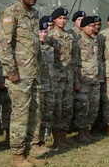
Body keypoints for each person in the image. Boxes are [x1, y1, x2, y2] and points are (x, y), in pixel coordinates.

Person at [0, 0, 43, 167]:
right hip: (19, 75)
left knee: (34, 114)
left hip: (33, 72)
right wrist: (11, 71)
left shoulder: (33, 14)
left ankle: (29, 152)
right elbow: (3, 44)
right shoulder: (10, 13)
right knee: (20, 115)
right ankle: (17, 155)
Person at [47, 8, 77, 148]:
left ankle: (64, 136)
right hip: (56, 78)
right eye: (60, 18)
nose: (63, 21)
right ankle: (56, 138)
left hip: (68, 77)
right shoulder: (50, 36)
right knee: (56, 109)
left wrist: (75, 79)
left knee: (67, 108)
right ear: (54, 19)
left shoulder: (69, 36)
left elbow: (73, 58)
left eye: (65, 18)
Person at [73, 15, 103, 143]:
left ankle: (87, 131)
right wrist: (76, 81)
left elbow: (98, 60)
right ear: (83, 27)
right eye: (89, 26)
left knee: (93, 107)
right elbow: (73, 62)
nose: (92, 28)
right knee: (83, 107)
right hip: (83, 80)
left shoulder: (94, 41)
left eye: (93, 26)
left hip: (94, 79)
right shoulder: (77, 40)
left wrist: (99, 77)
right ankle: (80, 133)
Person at [30, 16, 56, 155]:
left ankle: (44, 141)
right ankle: (35, 142)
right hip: (38, 86)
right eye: (40, 32)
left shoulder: (49, 48)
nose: (43, 34)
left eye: (45, 32)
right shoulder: (33, 49)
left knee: (48, 114)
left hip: (50, 86)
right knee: (37, 116)